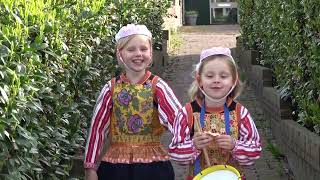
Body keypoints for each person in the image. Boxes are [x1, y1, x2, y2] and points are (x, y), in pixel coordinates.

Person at [84, 24, 182, 180]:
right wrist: (90, 166)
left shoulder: (158, 87)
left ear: (150, 52)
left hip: (153, 167)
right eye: (131, 50)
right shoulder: (111, 89)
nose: (138, 54)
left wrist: (189, 149)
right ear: (120, 53)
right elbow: (97, 129)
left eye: (143, 49)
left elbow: (179, 121)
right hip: (116, 167)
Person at [168, 47, 262, 179]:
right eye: (209, 76)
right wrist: (193, 145)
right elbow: (175, 153)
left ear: (233, 81)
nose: (216, 80)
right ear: (200, 80)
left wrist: (235, 145)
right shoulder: (187, 113)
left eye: (223, 76)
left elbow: (255, 151)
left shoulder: (240, 113)